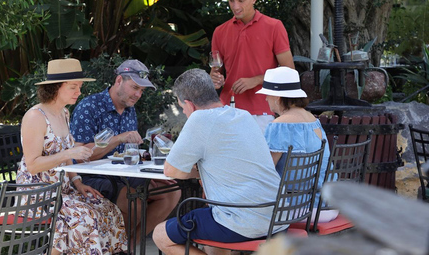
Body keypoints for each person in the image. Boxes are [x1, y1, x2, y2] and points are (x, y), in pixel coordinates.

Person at [153, 69, 286, 255]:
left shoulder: (200, 119)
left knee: (160, 235)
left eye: (182, 107)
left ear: (189, 105)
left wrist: (197, 170)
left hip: (244, 221)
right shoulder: (243, 116)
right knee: (212, 217)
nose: (183, 112)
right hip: (277, 218)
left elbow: (172, 170)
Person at [16, 58, 127, 255]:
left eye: (80, 87)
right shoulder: (35, 117)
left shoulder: (64, 113)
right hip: (38, 194)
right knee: (85, 216)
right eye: (73, 87)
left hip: (62, 191)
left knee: (108, 209)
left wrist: (78, 183)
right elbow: (32, 165)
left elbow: (66, 157)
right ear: (55, 88)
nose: (79, 92)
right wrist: (68, 153)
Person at [70, 59, 181, 241]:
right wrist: (119, 138)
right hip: (91, 176)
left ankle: (128, 246)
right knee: (134, 203)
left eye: (142, 91)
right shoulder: (89, 106)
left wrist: (145, 169)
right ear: (119, 80)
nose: (138, 94)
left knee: (172, 192)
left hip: (122, 174)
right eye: (135, 87)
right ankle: (118, 247)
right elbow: (80, 155)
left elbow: (128, 153)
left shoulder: (130, 109)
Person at [210, 0, 295, 132]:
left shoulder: (274, 27)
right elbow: (216, 72)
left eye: (241, 0)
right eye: (231, 0)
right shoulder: (219, 32)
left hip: (262, 112)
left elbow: (289, 73)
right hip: (227, 110)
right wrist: (215, 79)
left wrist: (255, 81)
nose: (235, 6)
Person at [256, 66, 338, 222]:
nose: (266, 99)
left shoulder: (279, 125)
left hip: (301, 209)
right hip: (329, 205)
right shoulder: (314, 120)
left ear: (277, 98)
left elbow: (265, 170)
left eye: (267, 94)